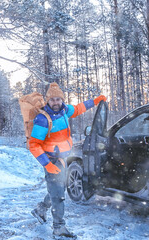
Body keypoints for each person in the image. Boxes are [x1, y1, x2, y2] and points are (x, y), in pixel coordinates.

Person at [29, 82, 106, 238]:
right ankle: (59, 228)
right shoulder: (43, 119)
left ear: (62, 99)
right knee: (58, 195)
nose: (56, 102)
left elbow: (78, 109)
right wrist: (47, 165)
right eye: (52, 100)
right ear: (47, 101)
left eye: (58, 99)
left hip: (64, 159)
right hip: (52, 161)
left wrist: (95, 101)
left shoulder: (64, 111)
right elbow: (34, 144)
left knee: (58, 190)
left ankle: (40, 209)